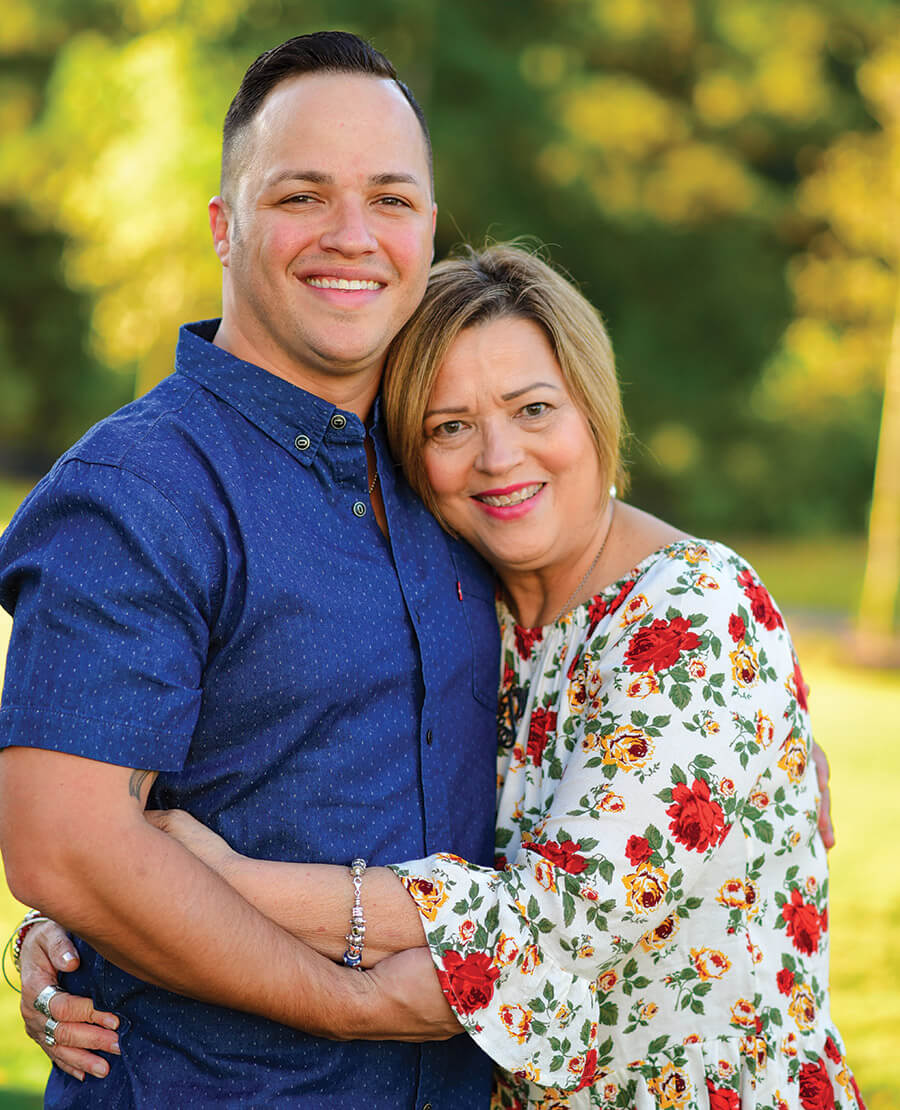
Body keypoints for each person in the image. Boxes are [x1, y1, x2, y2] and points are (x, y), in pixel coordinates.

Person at [19, 245, 859, 1109]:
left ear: (594, 409)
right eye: (449, 427)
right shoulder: (460, 601)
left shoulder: (695, 610)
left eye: (534, 409)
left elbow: (560, 917)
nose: (499, 456)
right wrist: (99, 920)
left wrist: (203, 887)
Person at [0, 32, 500, 1108]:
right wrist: (353, 1006)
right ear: (225, 226)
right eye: (301, 196)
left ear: (427, 228)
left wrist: (757, 702)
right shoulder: (139, 492)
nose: (352, 235)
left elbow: (605, 567)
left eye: (390, 199)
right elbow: (64, 847)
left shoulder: (453, 459)